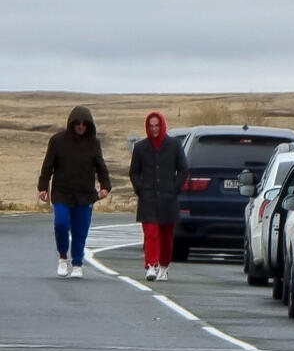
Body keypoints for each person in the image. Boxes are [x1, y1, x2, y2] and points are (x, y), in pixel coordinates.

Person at [37, 106, 112, 278]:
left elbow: (101, 167)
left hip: (85, 194)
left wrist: (105, 186)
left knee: (80, 230)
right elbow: (47, 166)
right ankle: (63, 257)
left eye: (84, 124)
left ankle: (77, 263)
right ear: (71, 124)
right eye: (77, 123)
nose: (80, 126)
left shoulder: (94, 143)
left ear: (89, 125)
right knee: (61, 224)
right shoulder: (57, 141)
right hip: (62, 192)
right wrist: (43, 187)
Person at [129, 111, 187, 281]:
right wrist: (140, 188)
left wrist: (175, 188)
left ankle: (163, 265)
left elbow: (183, 169)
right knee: (150, 232)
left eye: (157, 125)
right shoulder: (140, 148)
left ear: (162, 125)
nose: (154, 129)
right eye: (151, 126)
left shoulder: (174, 145)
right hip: (148, 198)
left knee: (166, 236)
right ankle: (151, 265)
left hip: (168, 198)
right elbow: (133, 172)